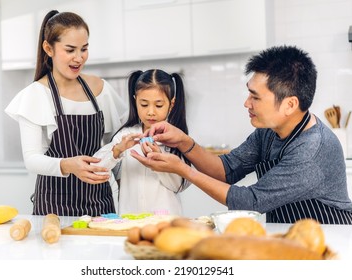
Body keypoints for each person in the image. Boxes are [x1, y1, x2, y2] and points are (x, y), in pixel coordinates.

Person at [132, 45, 352, 224]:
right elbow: (226, 170)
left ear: (290, 104)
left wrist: (182, 170)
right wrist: (183, 141)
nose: (247, 103)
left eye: (255, 97)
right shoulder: (267, 132)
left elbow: (251, 201)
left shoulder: (311, 150)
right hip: (287, 235)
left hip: (330, 239)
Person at [5, 10, 127, 216]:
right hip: (55, 206)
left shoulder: (101, 89)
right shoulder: (35, 95)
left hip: (100, 203)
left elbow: (113, 149)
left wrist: (125, 191)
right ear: (48, 48)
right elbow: (32, 159)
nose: (78, 58)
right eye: (70, 50)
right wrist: (68, 165)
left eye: (84, 49)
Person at [92, 69, 191, 215]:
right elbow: (95, 168)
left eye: (158, 105)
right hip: (130, 221)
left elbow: (178, 186)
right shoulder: (125, 135)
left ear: (171, 104)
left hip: (165, 222)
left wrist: (159, 161)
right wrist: (117, 150)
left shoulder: (177, 138)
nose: (151, 112)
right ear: (135, 101)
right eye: (144, 104)